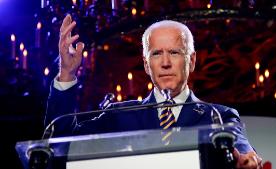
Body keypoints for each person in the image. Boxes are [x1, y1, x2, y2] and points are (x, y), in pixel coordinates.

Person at [45, 14, 262, 169]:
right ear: (147, 65)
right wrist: (66, 73)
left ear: (192, 60)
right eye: (157, 54)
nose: (165, 63)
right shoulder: (121, 116)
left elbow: (245, 154)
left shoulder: (219, 117)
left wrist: (247, 161)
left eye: (175, 52)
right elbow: (61, 144)